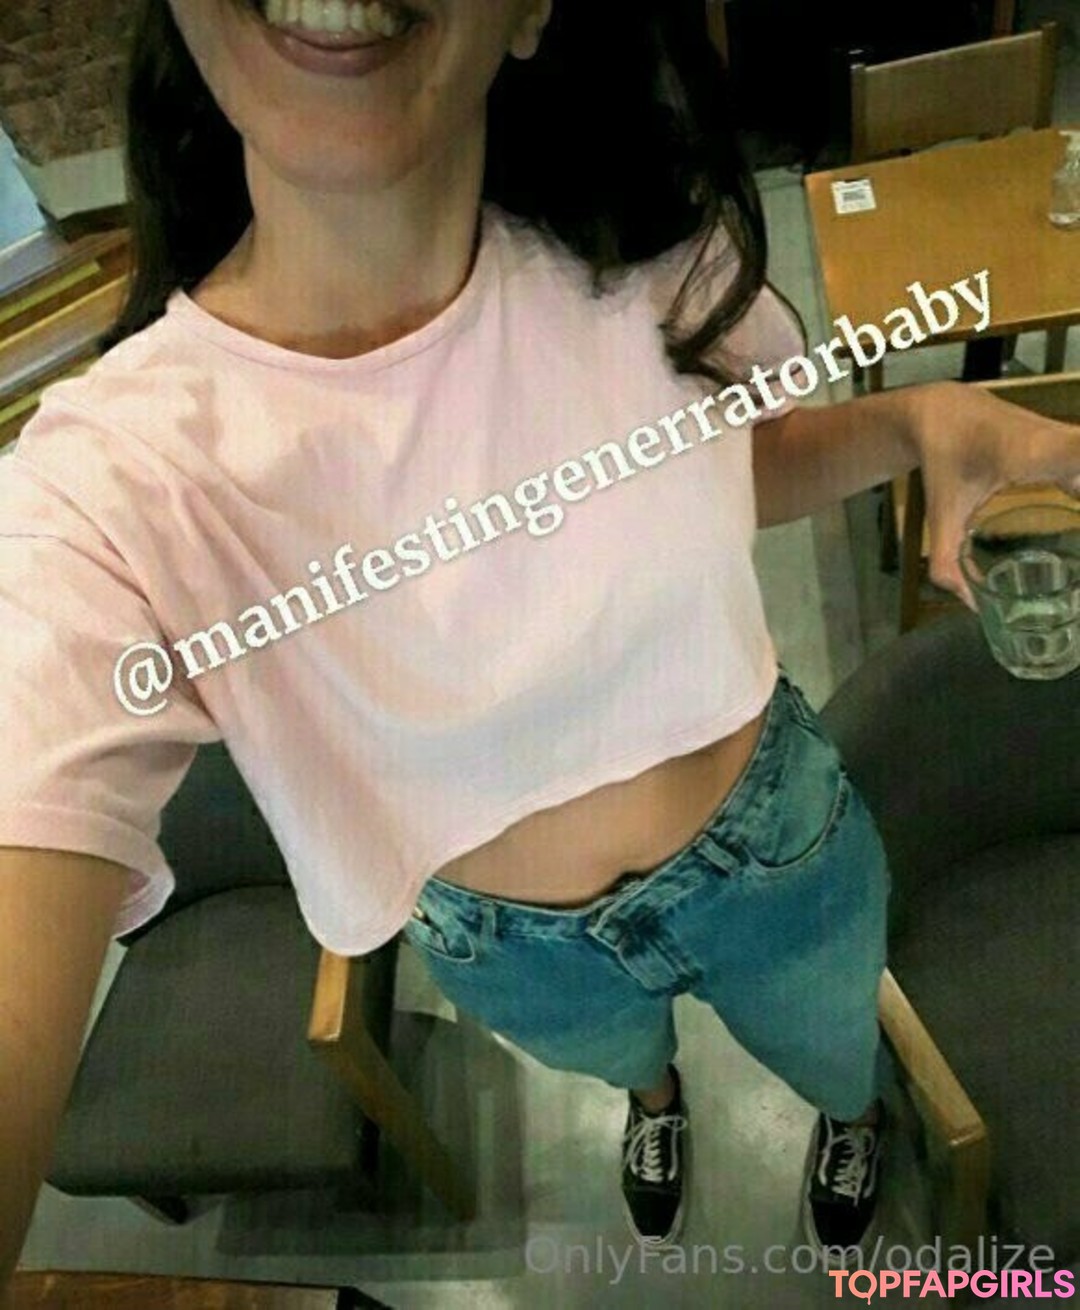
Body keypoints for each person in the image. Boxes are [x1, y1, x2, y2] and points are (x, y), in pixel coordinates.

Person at [1, 0, 1078, 1289]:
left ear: (529, 13)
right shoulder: (105, 486)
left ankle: (848, 1120)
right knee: (621, 1058)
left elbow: (725, 470)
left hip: (772, 850)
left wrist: (917, 420)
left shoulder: (651, 259)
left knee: (836, 1054)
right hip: (507, 944)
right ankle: (654, 1097)